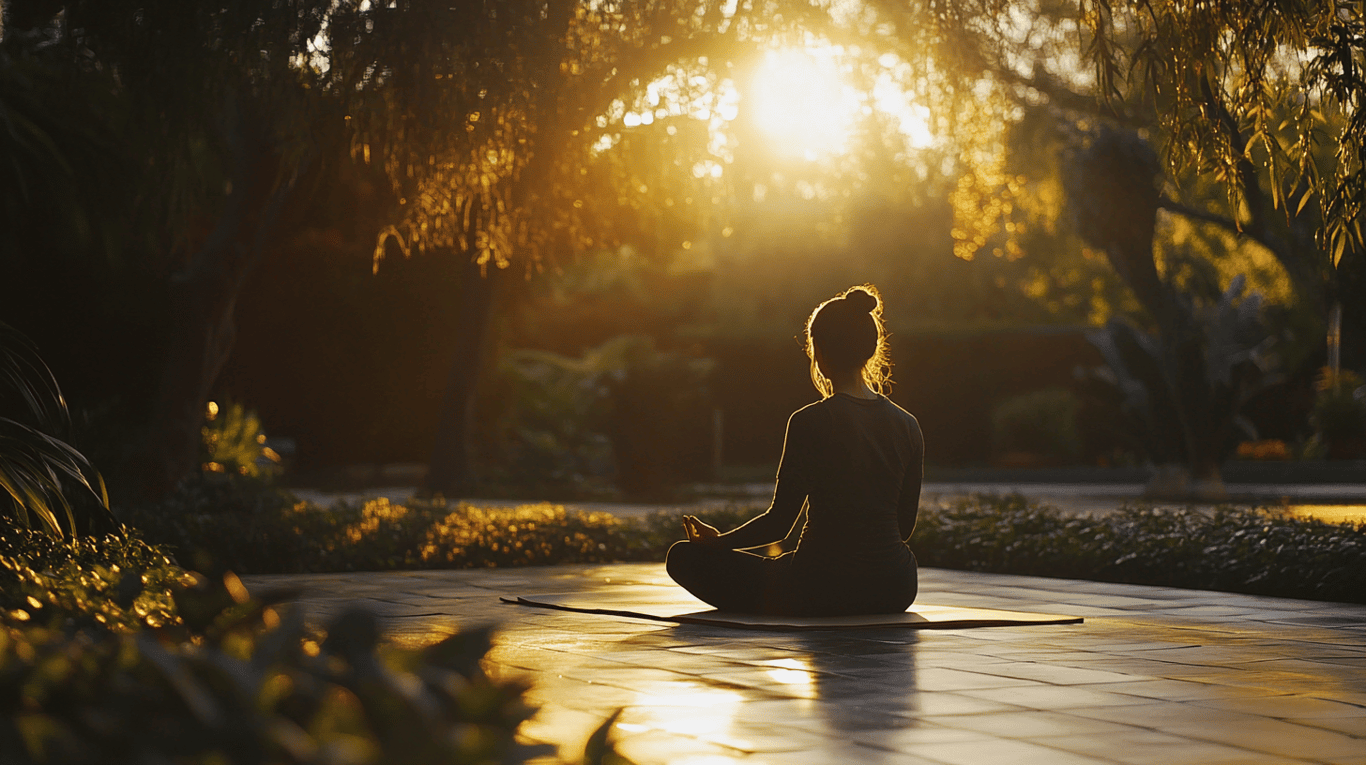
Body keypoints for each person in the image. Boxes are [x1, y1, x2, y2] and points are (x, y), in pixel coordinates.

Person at [666, 285, 923, 616]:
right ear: (870, 350)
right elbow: (903, 527)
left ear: (818, 351)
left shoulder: (810, 421)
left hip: (818, 586)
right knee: (784, 570)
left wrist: (716, 543)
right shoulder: (908, 425)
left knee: (682, 556)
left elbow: (778, 524)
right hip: (895, 587)